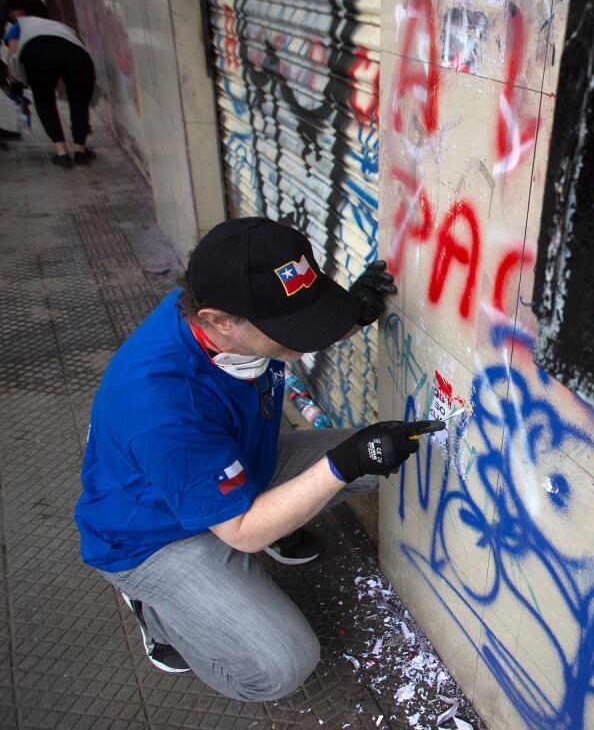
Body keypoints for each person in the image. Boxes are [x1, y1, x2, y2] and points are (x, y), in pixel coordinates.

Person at [74, 217, 428, 702]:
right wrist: (343, 463)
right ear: (219, 321)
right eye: (290, 330)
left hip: (230, 466)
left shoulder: (219, 310)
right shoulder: (163, 406)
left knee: (376, 462)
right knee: (282, 666)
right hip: (152, 535)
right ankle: (159, 611)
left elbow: (296, 324)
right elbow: (243, 531)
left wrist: (355, 312)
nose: (303, 339)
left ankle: (262, 528)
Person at [1, 0, 96, 167]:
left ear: (18, 12)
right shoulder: (56, 24)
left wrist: (15, 83)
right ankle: (80, 151)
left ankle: (61, 153)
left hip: (37, 55)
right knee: (78, 101)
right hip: (77, 55)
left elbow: (12, 55)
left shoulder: (19, 24)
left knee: (44, 100)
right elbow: (78, 43)